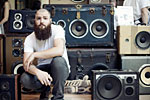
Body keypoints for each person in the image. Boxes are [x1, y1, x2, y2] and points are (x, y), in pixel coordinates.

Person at [20, 9, 70, 100]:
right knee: (25, 79)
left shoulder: (57, 29)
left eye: (45, 18)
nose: (41, 21)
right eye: (38, 18)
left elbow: (59, 50)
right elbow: (26, 64)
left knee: (58, 60)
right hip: (42, 68)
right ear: (34, 21)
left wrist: (35, 55)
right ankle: (44, 89)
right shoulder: (29, 38)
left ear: (50, 21)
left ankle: (58, 97)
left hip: (59, 68)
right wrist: (37, 72)